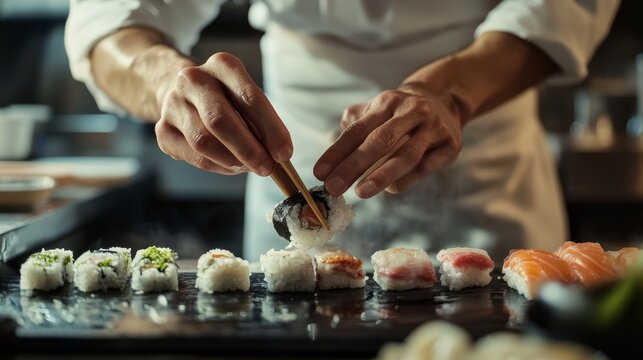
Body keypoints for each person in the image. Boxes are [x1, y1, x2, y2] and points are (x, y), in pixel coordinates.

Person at [65, 0, 619, 262]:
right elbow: (112, 21)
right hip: (294, 152)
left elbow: (563, 9)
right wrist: (166, 81)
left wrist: (450, 94)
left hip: (487, 172)